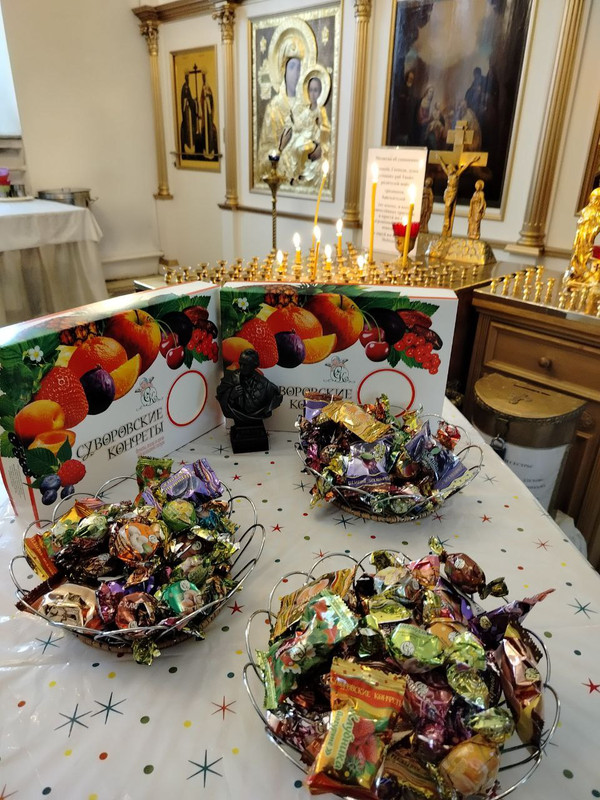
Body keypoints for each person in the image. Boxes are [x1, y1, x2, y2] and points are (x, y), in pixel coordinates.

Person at [256, 44, 304, 181]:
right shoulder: (273, 109)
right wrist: (280, 147)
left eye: (299, 68)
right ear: (284, 71)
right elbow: (261, 164)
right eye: (292, 67)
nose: (296, 73)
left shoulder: (306, 107)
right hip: (279, 180)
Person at [280, 70, 331, 186]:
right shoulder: (306, 110)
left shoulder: (320, 110)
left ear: (321, 92)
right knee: (289, 150)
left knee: (298, 148)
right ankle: (291, 175)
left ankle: (298, 175)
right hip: (302, 137)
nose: (312, 94)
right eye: (310, 90)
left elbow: (325, 128)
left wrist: (320, 143)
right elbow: (299, 124)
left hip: (312, 138)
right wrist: (292, 120)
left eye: (316, 90)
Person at [216, 349, 282, 426]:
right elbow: (221, 395)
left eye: (245, 365)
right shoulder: (230, 379)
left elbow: (276, 397)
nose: (241, 367)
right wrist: (230, 395)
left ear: (254, 365)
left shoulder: (266, 385)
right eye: (240, 363)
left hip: (257, 419)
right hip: (238, 419)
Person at [438, 155, 478, 237]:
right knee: (446, 205)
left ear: (453, 168)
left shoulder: (457, 175)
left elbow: (464, 167)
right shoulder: (449, 174)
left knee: (448, 205)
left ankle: (447, 220)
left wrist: (472, 160)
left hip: (453, 191)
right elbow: (443, 167)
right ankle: (446, 220)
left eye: (450, 168)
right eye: (448, 168)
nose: (448, 169)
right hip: (447, 191)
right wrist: (440, 159)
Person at [568, 187, 600, 283]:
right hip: (582, 234)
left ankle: (580, 270)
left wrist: (594, 230)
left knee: (585, 251)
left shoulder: (596, 212)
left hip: (588, 235)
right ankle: (577, 270)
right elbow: (580, 221)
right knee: (580, 251)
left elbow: (597, 225)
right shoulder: (588, 210)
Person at [180, 73, 198, 155]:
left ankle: (192, 145)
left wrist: (193, 101)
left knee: (191, 129)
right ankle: (188, 145)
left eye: (188, 78)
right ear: (185, 78)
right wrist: (192, 101)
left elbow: (189, 98)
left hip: (190, 112)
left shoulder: (188, 87)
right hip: (187, 112)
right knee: (188, 129)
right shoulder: (185, 87)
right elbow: (186, 99)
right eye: (187, 77)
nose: (188, 79)